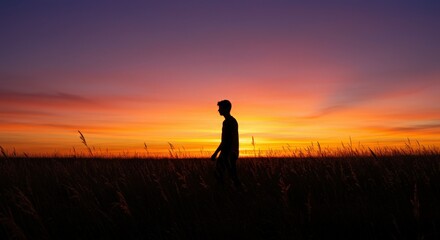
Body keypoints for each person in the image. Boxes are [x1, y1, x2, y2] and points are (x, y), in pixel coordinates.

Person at [211, 100, 240, 186]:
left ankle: (234, 192)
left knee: (228, 175)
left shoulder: (229, 122)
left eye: (220, 108)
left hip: (228, 153)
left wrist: (216, 153)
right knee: (228, 175)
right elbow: (225, 141)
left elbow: (226, 140)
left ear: (227, 108)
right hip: (229, 152)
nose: (219, 110)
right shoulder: (228, 121)